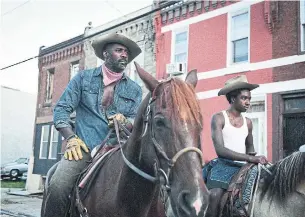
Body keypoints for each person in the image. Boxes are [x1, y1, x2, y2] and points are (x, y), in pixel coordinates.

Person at [41, 33, 143, 217]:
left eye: (126, 52)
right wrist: (71, 138)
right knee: (58, 185)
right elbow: (61, 109)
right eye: (119, 50)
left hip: (118, 150)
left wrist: (125, 122)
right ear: (105, 53)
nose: (124, 55)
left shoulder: (135, 89)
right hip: (83, 148)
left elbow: (137, 122)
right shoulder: (83, 78)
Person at [203, 75, 268, 217]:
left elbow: (250, 150)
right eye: (244, 98)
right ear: (233, 99)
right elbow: (220, 150)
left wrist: (256, 160)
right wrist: (251, 159)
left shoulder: (248, 122)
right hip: (223, 166)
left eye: (249, 99)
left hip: (244, 168)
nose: (248, 102)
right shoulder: (219, 118)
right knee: (214, 196)